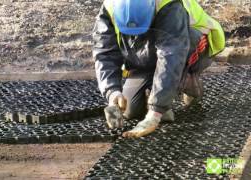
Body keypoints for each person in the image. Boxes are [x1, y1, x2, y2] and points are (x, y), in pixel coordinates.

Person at [93, 0, 225, 138]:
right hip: (149, 50)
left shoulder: (169, 5)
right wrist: (112, 93)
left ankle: (187, 79)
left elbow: (171, 55)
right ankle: (158, 89)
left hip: (192, 46)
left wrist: (155, 113)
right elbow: (105, 53)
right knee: (131, 111)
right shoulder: (110, 8)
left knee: (162, 114)